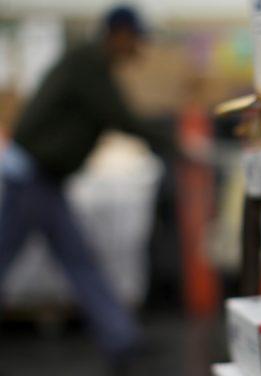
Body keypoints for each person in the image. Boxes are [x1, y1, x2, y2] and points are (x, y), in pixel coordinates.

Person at [0, 5, 175, 369]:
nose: (138, 48)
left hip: (42, 178)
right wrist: (177, 145)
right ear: (120, 34)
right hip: (32, 176)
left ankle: (122, 340)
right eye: (136, 39)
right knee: (30, 258)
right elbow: (121, 117)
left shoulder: (89, 62)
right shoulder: (89, 65)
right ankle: (121, 338)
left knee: (80, 260)